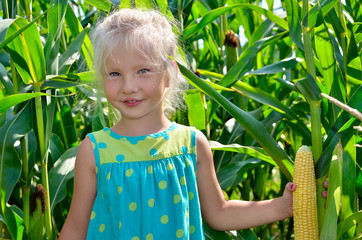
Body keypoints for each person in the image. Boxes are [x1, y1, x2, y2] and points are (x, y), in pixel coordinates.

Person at [58, 8, 296, 240]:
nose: (128, 86)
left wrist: (282, 207)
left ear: (170, 73)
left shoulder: (191, 145)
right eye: (114, 74)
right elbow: (75, 230)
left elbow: (219, 213)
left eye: (143, 70)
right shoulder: (95, 150)